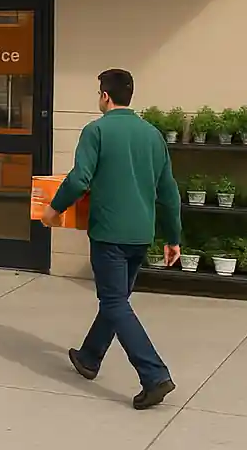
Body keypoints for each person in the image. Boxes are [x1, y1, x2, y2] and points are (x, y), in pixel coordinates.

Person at [42, 68, 181, 410]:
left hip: (109, 234)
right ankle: (90, 357)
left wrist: (52, 209)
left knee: (115, 303)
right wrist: (173, 237)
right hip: (140, 234)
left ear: (105, 95)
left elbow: (78, 180)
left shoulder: (97, 131)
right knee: (116, 299)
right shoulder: (152, 136)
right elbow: (169, 192)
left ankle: (154, 375)